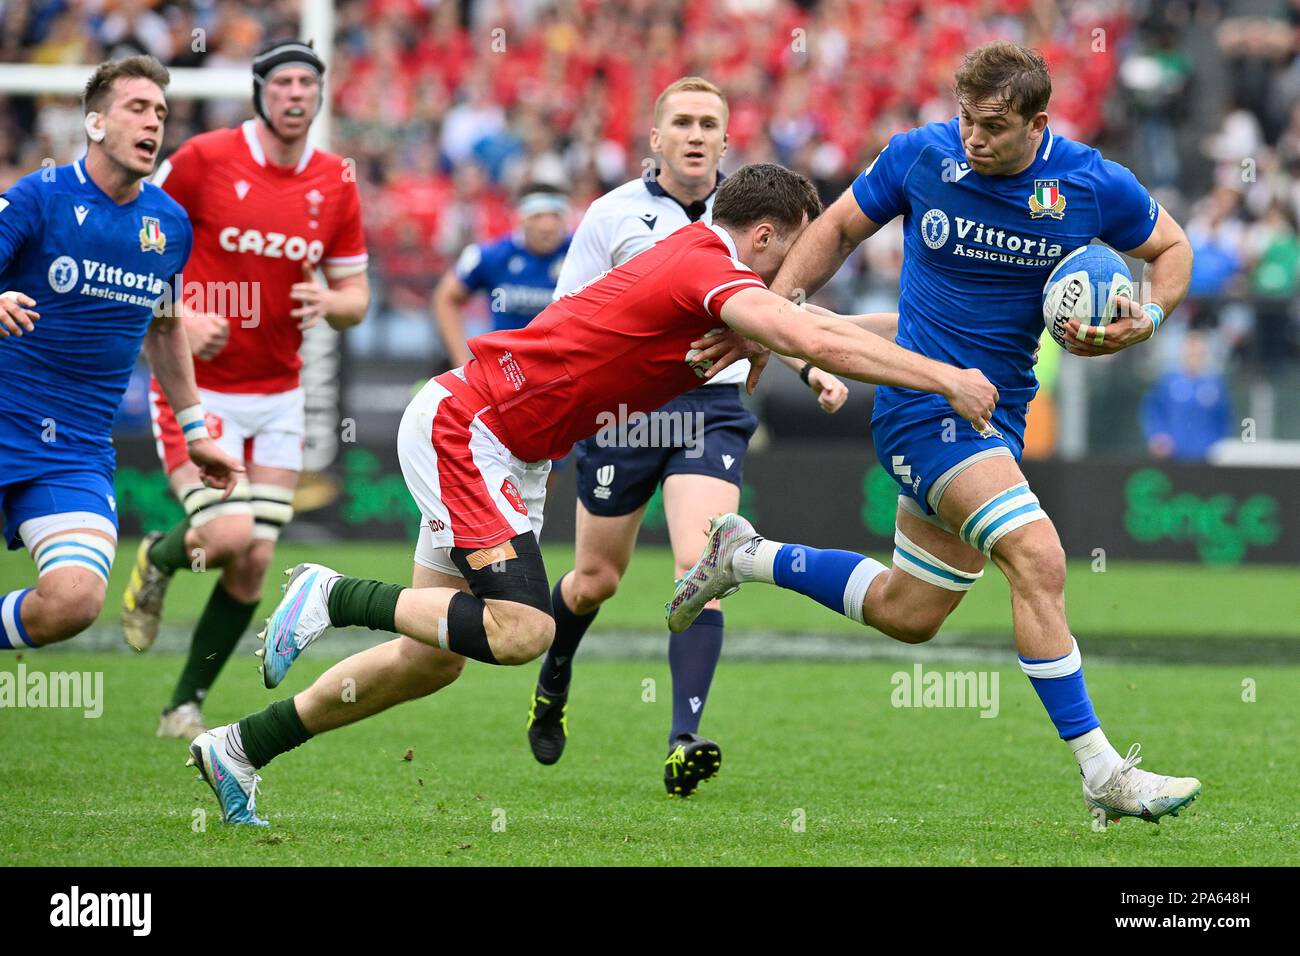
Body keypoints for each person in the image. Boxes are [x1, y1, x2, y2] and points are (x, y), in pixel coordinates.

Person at [183, 162, 996, 824]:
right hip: (473, 429)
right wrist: (946, 381)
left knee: (430, 663)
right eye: (797, 258)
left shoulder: (712, 273)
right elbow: (811, 334)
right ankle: (332, 593)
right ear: (762, 237)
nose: (801, 277)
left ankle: (241, 749)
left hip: (508, 449)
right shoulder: (705, 266)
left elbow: (824, 326)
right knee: (521, 630)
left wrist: (950, 338)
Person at [668, 42, 1202, 827]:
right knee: (1039, 554)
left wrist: (1147, 319)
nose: (974, 138)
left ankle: (744, 554)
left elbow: (1173, 247)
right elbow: (841, 227)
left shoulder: (1089, 183)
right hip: (923, 410)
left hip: (998, 416)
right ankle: (1101, 771)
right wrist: (772, 312)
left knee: (907, 611)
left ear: (1036, 124)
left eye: (992, 125)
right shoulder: (923, 155)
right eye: (966, 119)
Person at [525, 76, 852, 795]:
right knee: (593, 581)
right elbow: (567, 321)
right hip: (625, 413)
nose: (697, 134)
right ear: (656, 137)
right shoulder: (611, 216)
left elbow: (771, 312)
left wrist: (809, 368)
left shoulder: (756, 220)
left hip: (712, 406)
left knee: (703, 566)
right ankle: (554, 678)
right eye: (683, 122)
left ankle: (685, 736)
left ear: (727, 141)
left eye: (710, 122)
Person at [120, 38, 370, 739]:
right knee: (229, 534)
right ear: (260, 91)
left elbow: (357, 296)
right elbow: (135, 229)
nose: (296, 95)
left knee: (255, 560)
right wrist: (177, 311)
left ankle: (182, 704)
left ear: (320, 97)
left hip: (280, 394)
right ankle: (158, 556)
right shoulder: (204, 158)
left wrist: (332, 302)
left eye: (308, 84)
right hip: (197, 390)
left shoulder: (334, 180)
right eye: (283, 82)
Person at [0, 55, 241, 652]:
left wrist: (194, 428)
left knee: (75, 601)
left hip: (71, 453)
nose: (153, 122)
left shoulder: (169, 225)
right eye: (137, 108)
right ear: (96, 124)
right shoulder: (39, 197)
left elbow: (163, 330)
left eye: (160, 112)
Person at [432, 182, 571, 367]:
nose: (547, 226)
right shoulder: (493, 256)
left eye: (555, 216)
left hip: (563, 369)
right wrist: (461, 362)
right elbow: (445, 297)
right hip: (506, 370)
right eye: (537, 216)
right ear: (521, 218)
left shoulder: (582, 253)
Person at [1140, 330, 1232, 461]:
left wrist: (1218, 444)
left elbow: (1224, 418)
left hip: (1206, 456)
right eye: (1191, 353)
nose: (1194, 358)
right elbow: (1153, 412)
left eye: (1198, 354)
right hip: (1173, 454)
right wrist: (1158, 435)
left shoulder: (1215, 385)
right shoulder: (1168, 381)